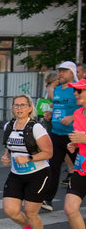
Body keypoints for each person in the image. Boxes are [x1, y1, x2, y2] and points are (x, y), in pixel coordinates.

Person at [1, 95, 53, 229]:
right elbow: (10, 145)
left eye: (23, 105)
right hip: (16, 173)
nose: (19, 108)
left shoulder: (36, 128)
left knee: (31, 212)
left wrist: (29, 158)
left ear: (30, 108)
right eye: (16, 105)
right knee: (10, 210)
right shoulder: (9, 126)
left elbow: (49, 152)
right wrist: (6, 156)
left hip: (37, 174)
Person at [41, 61, 79, 212]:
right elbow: (57, 107)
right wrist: (50, 114)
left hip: (74, 136)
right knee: (53, 167)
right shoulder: (57, 89)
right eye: (59, 71)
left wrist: (72, 117)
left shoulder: (78, 89)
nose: (60, 74)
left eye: (64, 71)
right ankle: (47, 200)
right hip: (56, 134)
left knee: (81, 168)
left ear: (72, 73)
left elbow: (83, 108)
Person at [64, 79, 86, 229]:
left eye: (80, 91)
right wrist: (75, 144)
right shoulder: (78, 113)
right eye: (75, 91)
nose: (76, 95)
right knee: (70, 209)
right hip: (81, 167)